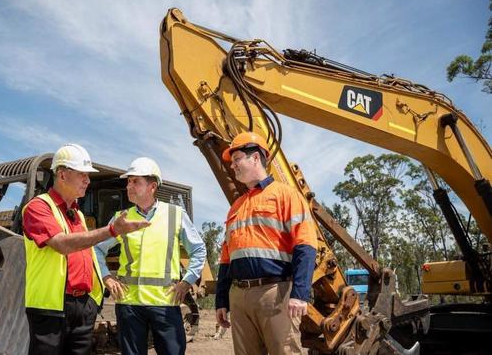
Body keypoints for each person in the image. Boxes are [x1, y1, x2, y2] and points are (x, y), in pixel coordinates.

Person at [22, 143, 150, 355]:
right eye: (82, 174)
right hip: (51, 308)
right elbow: (62, 244)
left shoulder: (78, 214)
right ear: (62, 175)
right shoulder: (39, 207)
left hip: (83, 307)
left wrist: (93, 300)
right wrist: (111, 231)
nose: (88, 181)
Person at [215, 132, 318, 355]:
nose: (232, 165)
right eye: (232, 161)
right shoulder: (236, 207)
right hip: (239, 296)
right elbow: (226, 258)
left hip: (275, 293)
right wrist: (221, 300)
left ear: (256, 158)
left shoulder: (286, 195)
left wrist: (300, 294)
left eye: (237, 159)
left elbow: (306, 245)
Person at [95, 157, 207, 355]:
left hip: (165, 303)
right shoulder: (122, 217)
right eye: (128, 181)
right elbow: (96, 248)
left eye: (135, 181)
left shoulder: (175, 214)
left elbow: (198, 250)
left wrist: (187, 282)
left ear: (152, 186)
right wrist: (107, 277)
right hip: (129, 304)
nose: (129, 186)